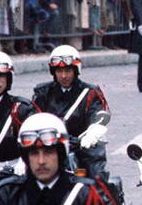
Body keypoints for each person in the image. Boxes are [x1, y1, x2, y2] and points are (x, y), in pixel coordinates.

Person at [31, 45, 111, 179]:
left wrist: (92, 132)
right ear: (53, 71)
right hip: (49, 145)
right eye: (59, 71)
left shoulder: (90, 92)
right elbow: (33, 117)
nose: (63, 75)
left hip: (82, 146)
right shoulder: (42, 92)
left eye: (68, 70)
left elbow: (98, 113)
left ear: (76, 70)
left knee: (97, 178)